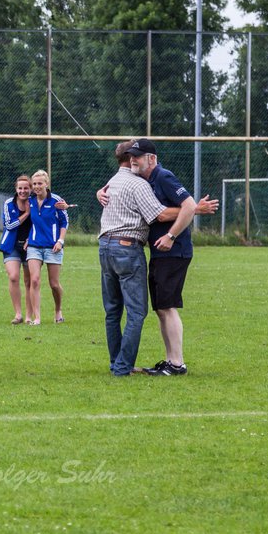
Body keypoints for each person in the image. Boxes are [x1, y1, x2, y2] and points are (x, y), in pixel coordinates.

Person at [100, 138, 218, 376]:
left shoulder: (162, 176)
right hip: (152, 251)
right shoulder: (141, 180)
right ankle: (170, 361)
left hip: (172, 251)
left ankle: (176, 363)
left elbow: (170, 212)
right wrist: (100, 192)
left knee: (165, 307)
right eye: (131, 156)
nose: (133, 159)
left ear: (151, 158)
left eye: (138, 156)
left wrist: (173, 234)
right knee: (161, 308)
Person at [96, 142, 169, 377]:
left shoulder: (112, 181)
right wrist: (192, 208)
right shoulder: (138, 184)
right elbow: (157, 214)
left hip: (105, 247)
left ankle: (115, 362)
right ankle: (122, 366)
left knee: (113, 310)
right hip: (127, 248)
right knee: (137, 312)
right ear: (131, 159)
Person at [25, 169, 69, 325]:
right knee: (35, 280)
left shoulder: (56, 201)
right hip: (34, 246)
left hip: (53, 247)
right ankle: (37, 318)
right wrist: (26, 239)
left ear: (47, 184)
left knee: (54, 284)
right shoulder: (29, 200)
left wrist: (60, 241)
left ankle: (58, 310)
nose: (36, 187)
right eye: (34, 184)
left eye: (39, 183)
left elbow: (64, 222)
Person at [0, 174, 33, 324]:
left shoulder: (35, 203)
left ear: (31, 189)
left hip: (30, 246)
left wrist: (30, 239)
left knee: (29, 281)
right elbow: (9, 225)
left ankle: (29, 316)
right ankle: (18, 314)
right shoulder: (8, 204)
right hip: (11, 245)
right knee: (13, 277)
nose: (23, 191)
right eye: (20, 188)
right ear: (16, 189)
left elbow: (40, 224)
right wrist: (26, 214)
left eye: (26, 188)